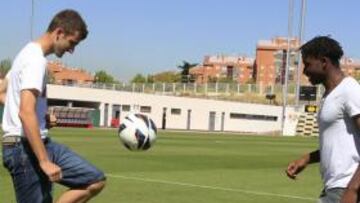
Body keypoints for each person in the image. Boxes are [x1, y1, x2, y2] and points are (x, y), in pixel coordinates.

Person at [1, 9, 106, 203]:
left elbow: (2, 91)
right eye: (72, 43)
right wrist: (44, 161)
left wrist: (40, 117)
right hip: (23, 148)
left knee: (94, 180)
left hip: (38, 142)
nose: (72, 50)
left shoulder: (26, 53)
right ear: (59, 33)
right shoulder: (35, 61)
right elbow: (25, 112)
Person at [286, 36, 360, 203]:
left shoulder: (350, 90)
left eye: (308, 64)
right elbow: (339, 144)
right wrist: (306, 159)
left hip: (347, 186)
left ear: (324, 62)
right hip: (334, 187)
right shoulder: (329, 95)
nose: (304, 71)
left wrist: (353, 189)